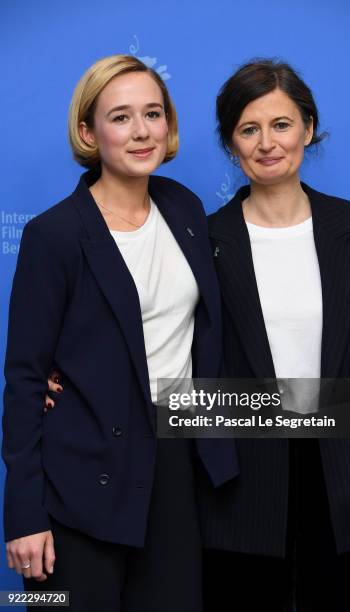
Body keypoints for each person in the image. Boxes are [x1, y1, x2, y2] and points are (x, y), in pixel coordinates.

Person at [2, 54, 238, 612]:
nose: (140, 131)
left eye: (153, 114)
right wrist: (25, 516)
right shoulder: (53, 235)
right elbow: (25, 380)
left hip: (177, 474)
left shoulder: (184, 208)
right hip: (82, 483)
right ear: (88, 131)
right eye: (121, 117)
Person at [196, 59, 350, 611]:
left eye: (282, 124)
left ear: (308, 130)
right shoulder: (205, 240)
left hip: (342, 470)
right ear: (231, 144)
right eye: (249, 129)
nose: (268, 143)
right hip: (241, 480)